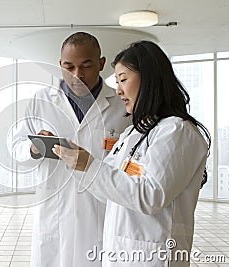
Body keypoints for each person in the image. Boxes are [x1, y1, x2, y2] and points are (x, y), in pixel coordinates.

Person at [54, 40, 211, 267]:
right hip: (122, 254)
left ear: (149, 78)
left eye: (123, 80)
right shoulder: (134, 133)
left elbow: (150, 196)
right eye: (116, 81)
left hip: (154, 256)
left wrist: (89, 165)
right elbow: (108, 191)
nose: (118, 90)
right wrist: (79, 164)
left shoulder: (177, 131)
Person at [11, 32, 131, 266]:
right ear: (60, 65)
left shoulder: (121, 105)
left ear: (102, 64)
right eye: (69, 66)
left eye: (86, 66)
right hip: (55, 214)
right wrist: (33, 149)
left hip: (102, 213)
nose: (78, 75)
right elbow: (16, 148)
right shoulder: (42, 100)